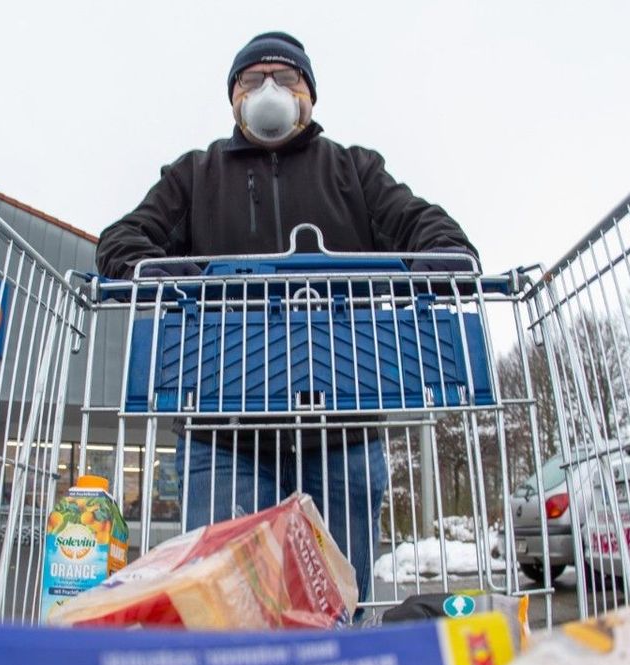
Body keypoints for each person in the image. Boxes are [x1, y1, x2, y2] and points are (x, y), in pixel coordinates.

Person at [95, 32, 480, 606]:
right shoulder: (195, 176)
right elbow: (122, 244)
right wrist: (193, 281)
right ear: (233, 99)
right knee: (224, 607)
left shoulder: (354, 171)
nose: (269, 90)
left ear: (309, 95)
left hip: (342, 427)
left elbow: (444, 239)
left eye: (286, 77)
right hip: (225, 431)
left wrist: (410, 275)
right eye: (253, 80)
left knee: (336, 605)